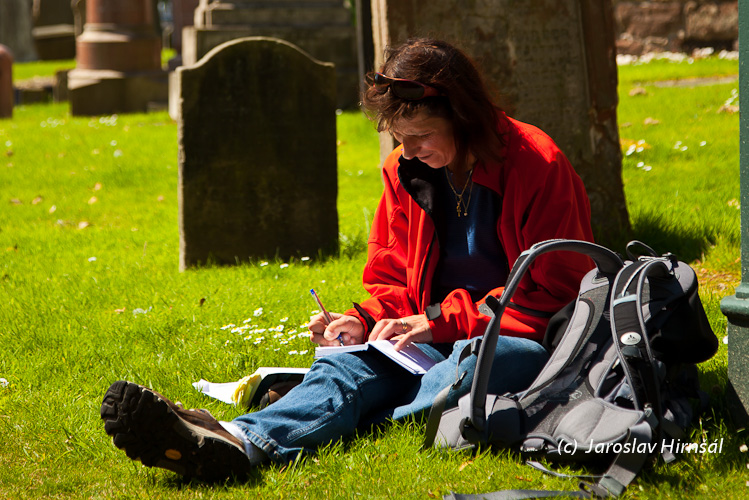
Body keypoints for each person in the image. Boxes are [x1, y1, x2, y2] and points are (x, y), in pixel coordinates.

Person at [100, 38, 595, 480]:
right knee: (350, 363)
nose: (411, 150)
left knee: (481, 367)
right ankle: (234, 439)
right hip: (424, 338)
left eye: (422, 134)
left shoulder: (537, 163)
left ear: (463, 114)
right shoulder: (404, 170)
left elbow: (551, 296)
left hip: (511, 338)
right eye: (402, 138)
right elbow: (392, 278)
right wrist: (363, 321)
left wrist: (436, 322)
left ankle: (320, 407)